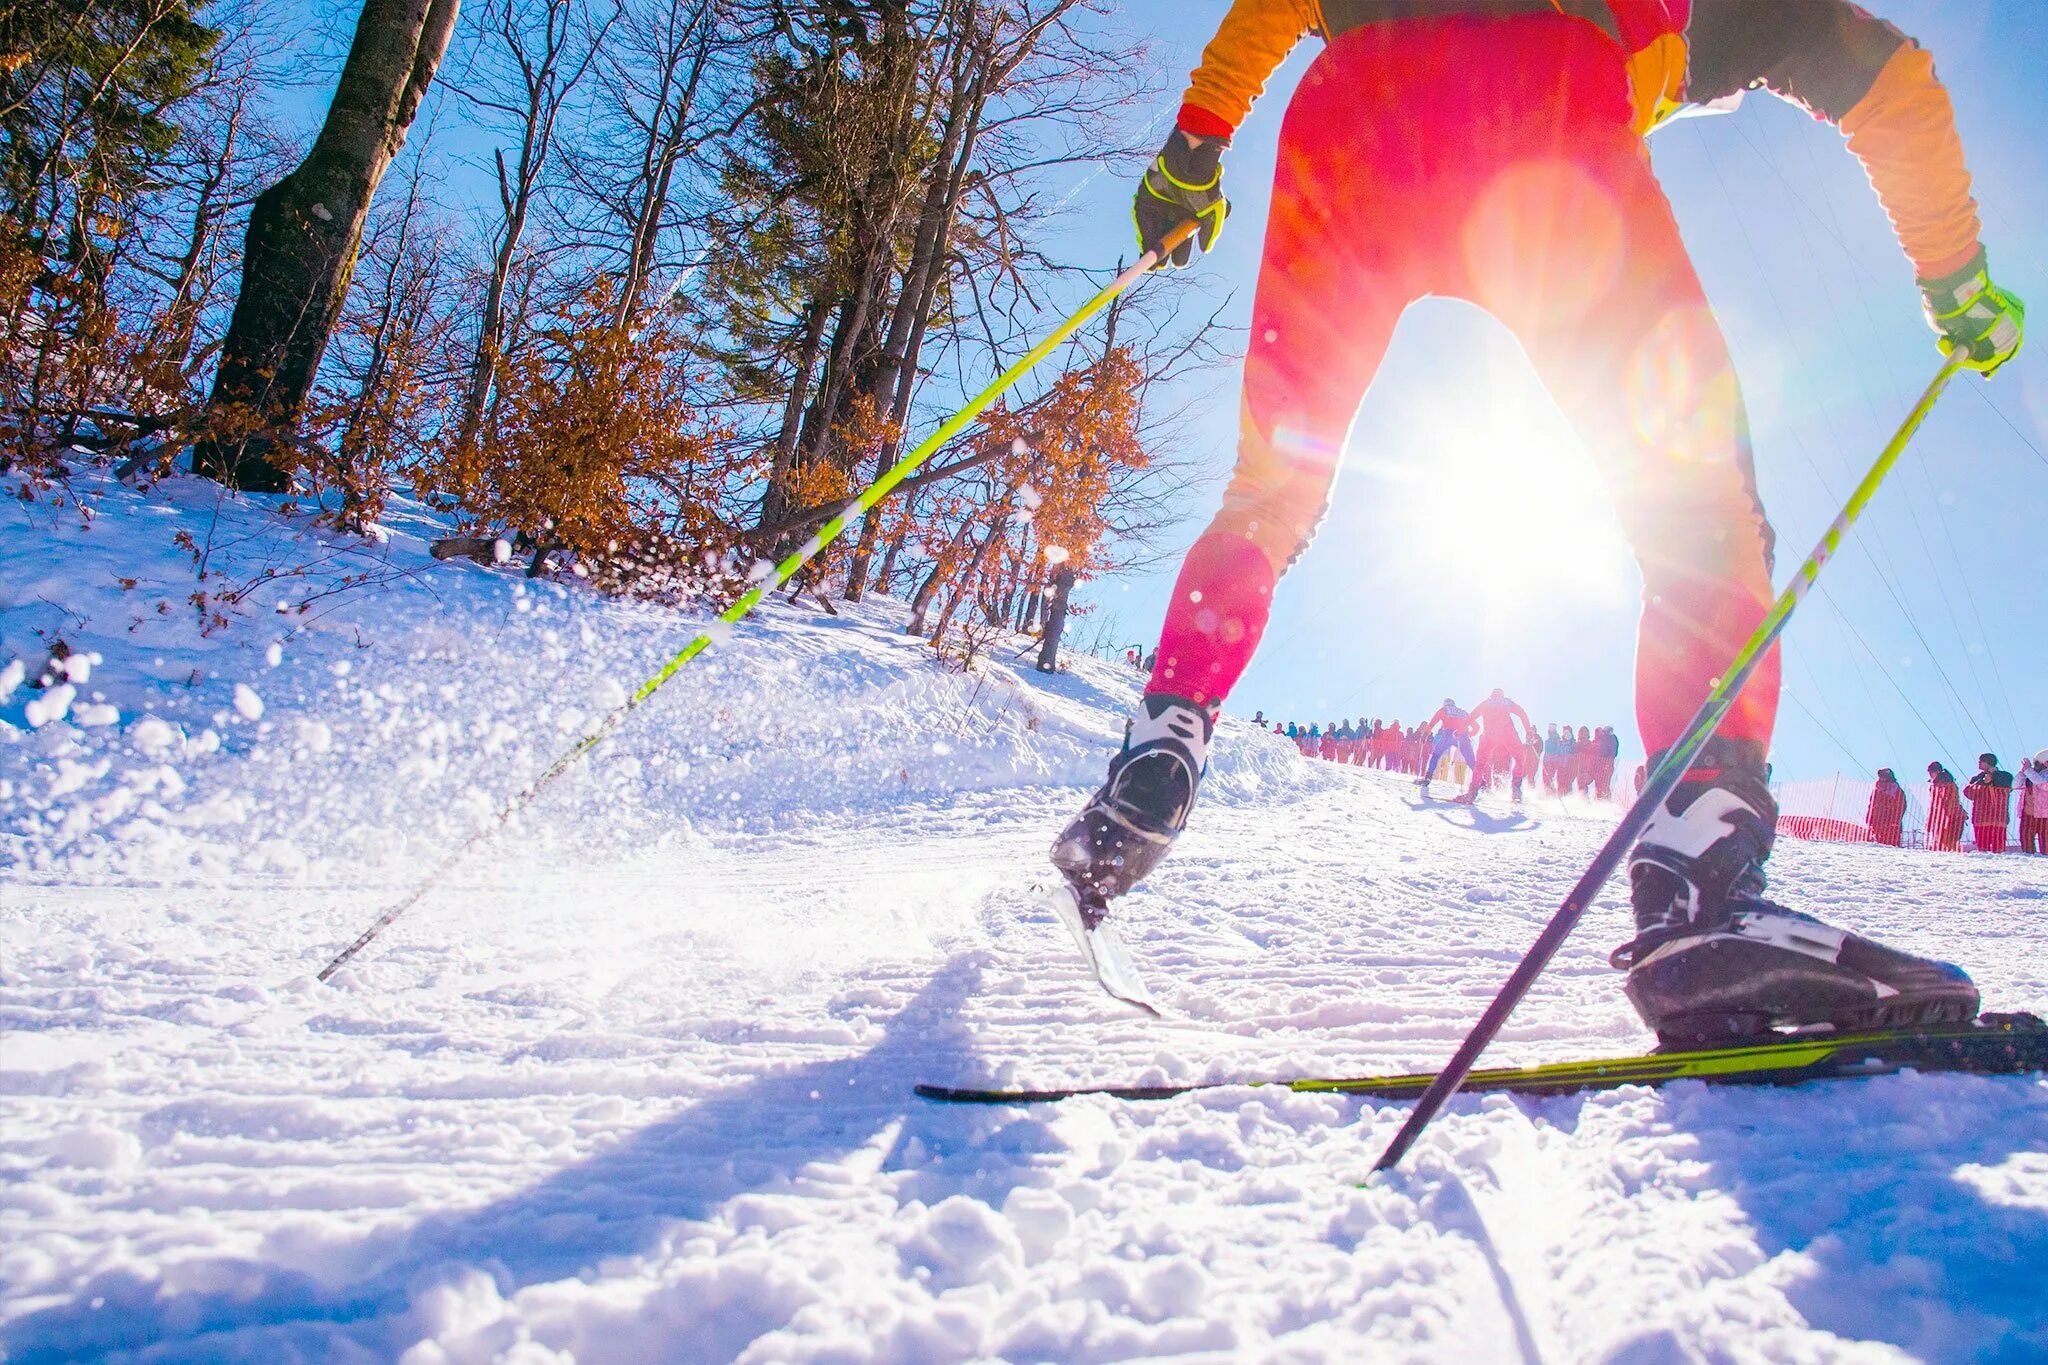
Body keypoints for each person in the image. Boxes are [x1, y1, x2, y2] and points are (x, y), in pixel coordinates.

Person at [1051, 0, 2019, 1038]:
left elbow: (1273, 8)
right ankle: (1697, 868)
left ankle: (1161, 743)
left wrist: (1192, 153)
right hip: (1548, 124)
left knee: (1271, 485)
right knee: (1695, 513)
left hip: (1349, 118)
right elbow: (1883, 75)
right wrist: (1952, 276)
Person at [1463, 687, 1535, 803]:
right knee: (1520, 758)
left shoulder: (1486, 702)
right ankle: (1516, 789)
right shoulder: (1506, 701)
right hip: (1507, 733)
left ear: (1492, 695)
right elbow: (1522, 713)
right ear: (1501, 695)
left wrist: (1461, 730)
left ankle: (1472, 792)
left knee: (1480, 764)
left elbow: (1471, 716)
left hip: (1489, 735)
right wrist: (1528, 731)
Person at [1415, 697, 1477, 794]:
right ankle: (1481, 782)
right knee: (1470, 761)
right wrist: (1468, 734)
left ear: (1445, 704)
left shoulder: (1444, 710)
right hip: (1462, 735)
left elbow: (1432, 723)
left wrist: (1425, 736)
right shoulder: (1463, 712)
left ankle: (1427, 778)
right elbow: (1477, 727)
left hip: (1448, 734)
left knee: (1435, 755)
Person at [1964, 752, 2013, 853]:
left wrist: (1993, 775)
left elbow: (2007, 785)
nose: (1979, 763)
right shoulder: (1977, 778)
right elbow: (1968, 793)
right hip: (1981, 817)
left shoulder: (2005, 776)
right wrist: (1983, 782)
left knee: (1999, 849)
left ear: (1988, 762)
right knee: (1982, 848)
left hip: (1998, 817)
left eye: (1981, 761)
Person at [1927, 762, 1966, 852]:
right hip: (1944, 817)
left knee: (1948, 843)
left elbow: (1947, 801)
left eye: (1931, 772)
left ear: (1937, 772)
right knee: (1943, 842)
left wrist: (1946, 817)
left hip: (1951, 817)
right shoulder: (1935, 786)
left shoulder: (1947, 784)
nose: (1930, 775)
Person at [1866, 768, 1907, 847]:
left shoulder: (1897, 791)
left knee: (1891, 847)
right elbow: (1872, 805)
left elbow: (1901, 807)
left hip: (1891, 826)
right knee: (1878, 847)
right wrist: (1869, 817)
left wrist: (1895, 821)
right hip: (1877, 824)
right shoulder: (1877, 790)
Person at [2019, 751, 2048, 855]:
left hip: (2044, 812)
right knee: (2025, 835)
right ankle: (2028, 854)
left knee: (2045, 836)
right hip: (2029, 810)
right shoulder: (2031, 774)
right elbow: (2015, 784)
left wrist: (2028, 770)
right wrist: (2023, 771)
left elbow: (2042, 783)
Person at [1541, 723, 1566, 793]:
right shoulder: (1548, 740)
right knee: (1546, 778)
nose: (1551, 729)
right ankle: (1548, 791)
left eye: (1553, 728)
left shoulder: (1556, 738)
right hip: (1547, 761)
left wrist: (1556, 760)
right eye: (1550, 728)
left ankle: (1550, 792)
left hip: (1552, 761)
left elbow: (1558, 749)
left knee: (1548, 778)